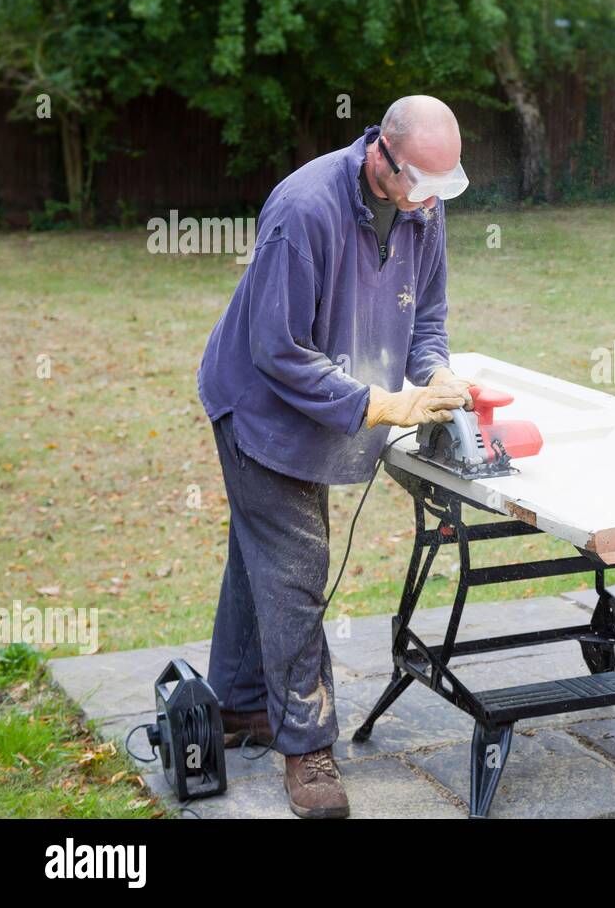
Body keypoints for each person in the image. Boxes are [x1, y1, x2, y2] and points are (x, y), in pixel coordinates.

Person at [196, 95, 473, 818]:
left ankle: (237, 703)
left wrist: (434, 371)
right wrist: (379, 406)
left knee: (259, 554)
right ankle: (307, 748)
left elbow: (428, 314)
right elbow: (277, 351)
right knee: (294, 570)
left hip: (326, 411)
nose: (426, 202)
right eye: (418, 182)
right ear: (381, 152)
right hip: (260, 411)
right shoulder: (303, 210)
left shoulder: (424, 203)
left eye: (441, 189)